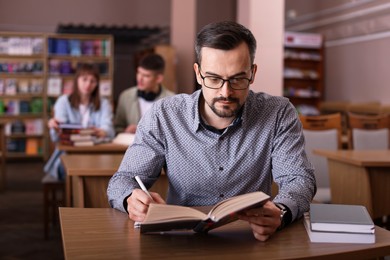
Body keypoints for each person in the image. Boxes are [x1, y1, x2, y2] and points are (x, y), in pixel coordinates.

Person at [107, 21, 316, 241]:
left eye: (237, 79)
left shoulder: (278, 113)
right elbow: (122, 180)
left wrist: (281, 212)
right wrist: (130, 198)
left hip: (251, 239)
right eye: (214, 79)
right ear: (198, 74)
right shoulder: (164, 115)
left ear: (252, 73)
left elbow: (299, 179)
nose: (226, 92)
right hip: (182, 241)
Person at [44, 63, 115, 180]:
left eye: (93, 81)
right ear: (77, 80)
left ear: (97, 84)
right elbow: (57, 137)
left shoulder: (104, 103)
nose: (88, 84)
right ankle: (75, 196)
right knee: (69, 169)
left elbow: (108, 128)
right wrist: (56, 128)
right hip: (69, 153)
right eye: (85, 79)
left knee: (106, 170)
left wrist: (103, 131)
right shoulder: (63, 101)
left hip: (95, 152)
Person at [114, 53, 175, 134]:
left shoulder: (172, 99)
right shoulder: (125, 96)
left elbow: (175, 133)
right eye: (138, 73)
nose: (139, 78)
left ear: (158, 78)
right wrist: (125, 131)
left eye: (146, 76)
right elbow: (116, 128)